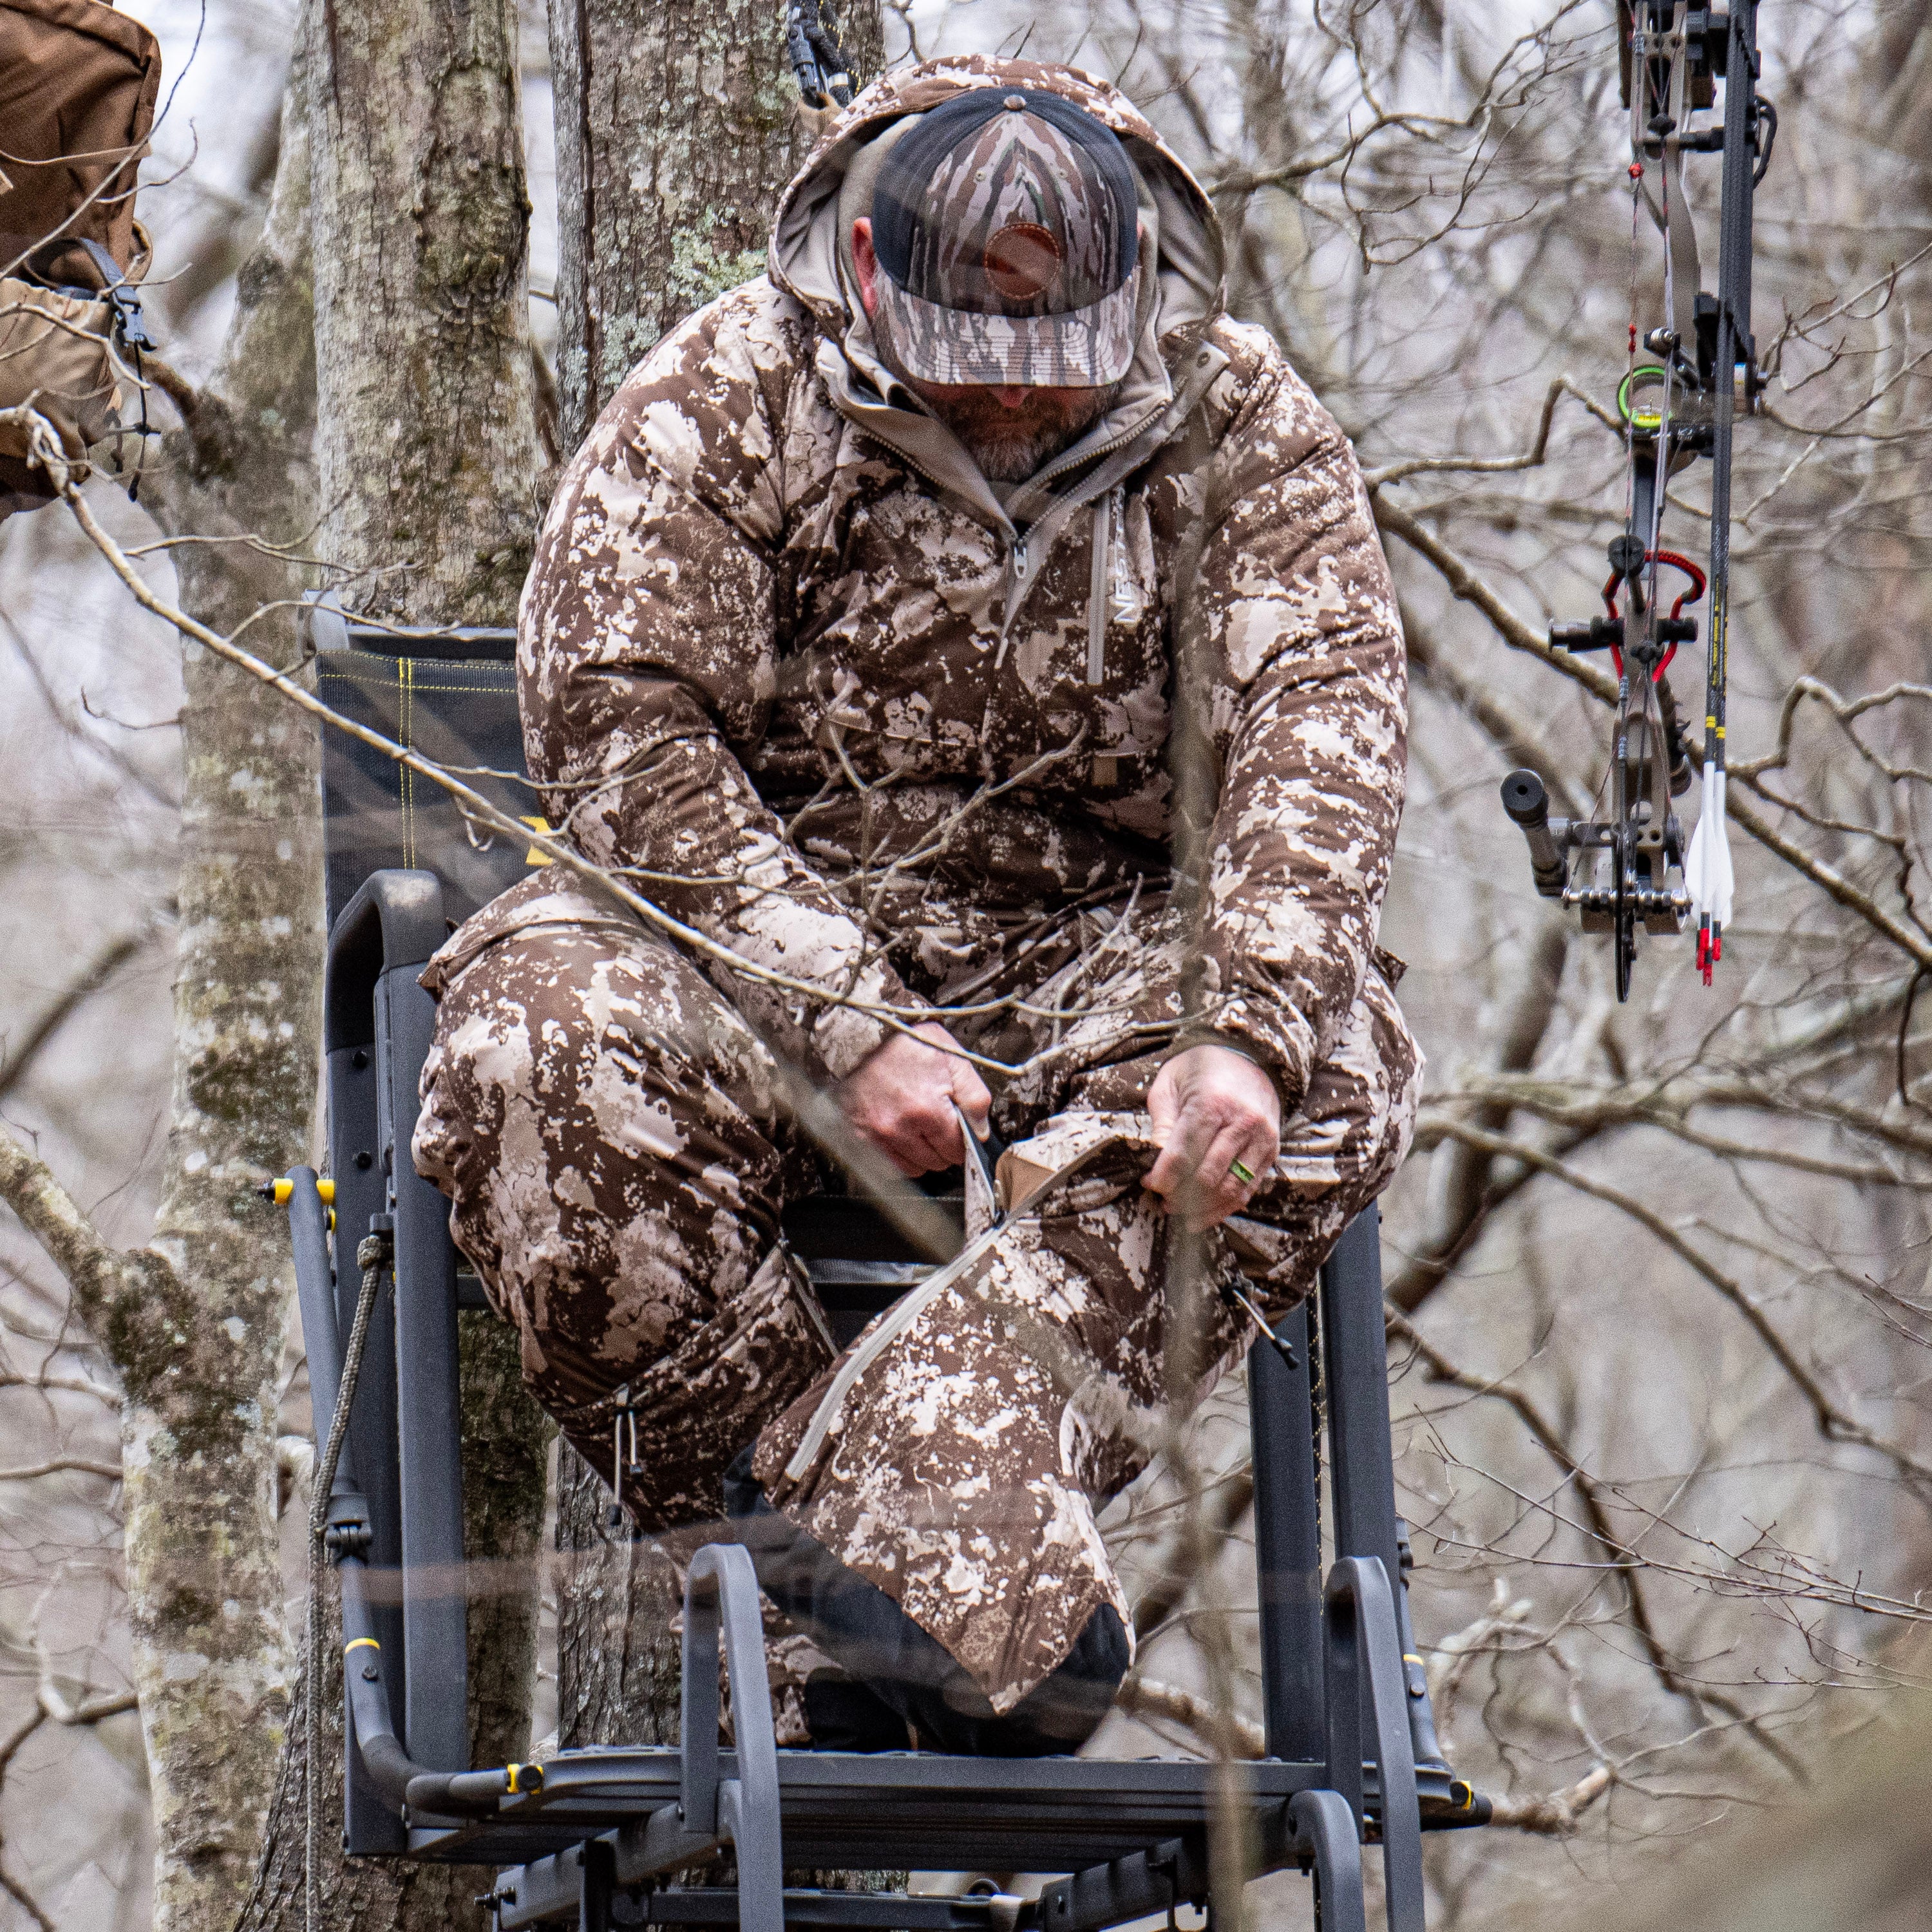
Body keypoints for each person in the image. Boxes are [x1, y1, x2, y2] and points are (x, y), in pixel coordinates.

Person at [412, 54, 1420, 1757]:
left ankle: (908, 1516)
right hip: (748, 940)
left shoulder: (1235, 412)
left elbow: (1321, 727)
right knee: (535, 1044)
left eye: (1055, 374)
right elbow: (622, 730)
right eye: (979, 375)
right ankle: (894, 1601)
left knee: (1335, 1073)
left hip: (1091, 949)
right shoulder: (726, 393)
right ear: (876, 280)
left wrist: (1238, 1032)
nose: (1016, 411)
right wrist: (849, 1016)